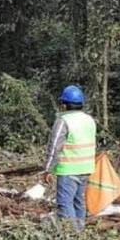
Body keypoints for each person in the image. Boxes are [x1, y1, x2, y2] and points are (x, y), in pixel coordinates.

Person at [42, 85, 97, 231]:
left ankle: (72, 236)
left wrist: (47, 169)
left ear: (64, 104)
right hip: (86, 168)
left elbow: (54, 146)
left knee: (65, 204)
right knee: (79, 202)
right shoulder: (89, 120)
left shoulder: (63, 121)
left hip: (68, 169)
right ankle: (80, 231)